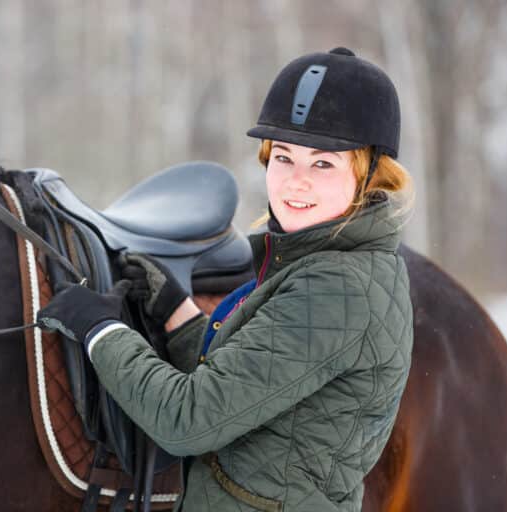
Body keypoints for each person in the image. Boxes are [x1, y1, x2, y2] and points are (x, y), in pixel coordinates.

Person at [38, 47, 415, 511]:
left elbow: (188, 420)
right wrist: (177, 314)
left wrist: (101, 332)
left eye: (323, 163)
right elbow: (251, 385)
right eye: (283, 157)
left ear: (369, 176)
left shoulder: (337, 289)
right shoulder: (318, 263)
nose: (295, 182)